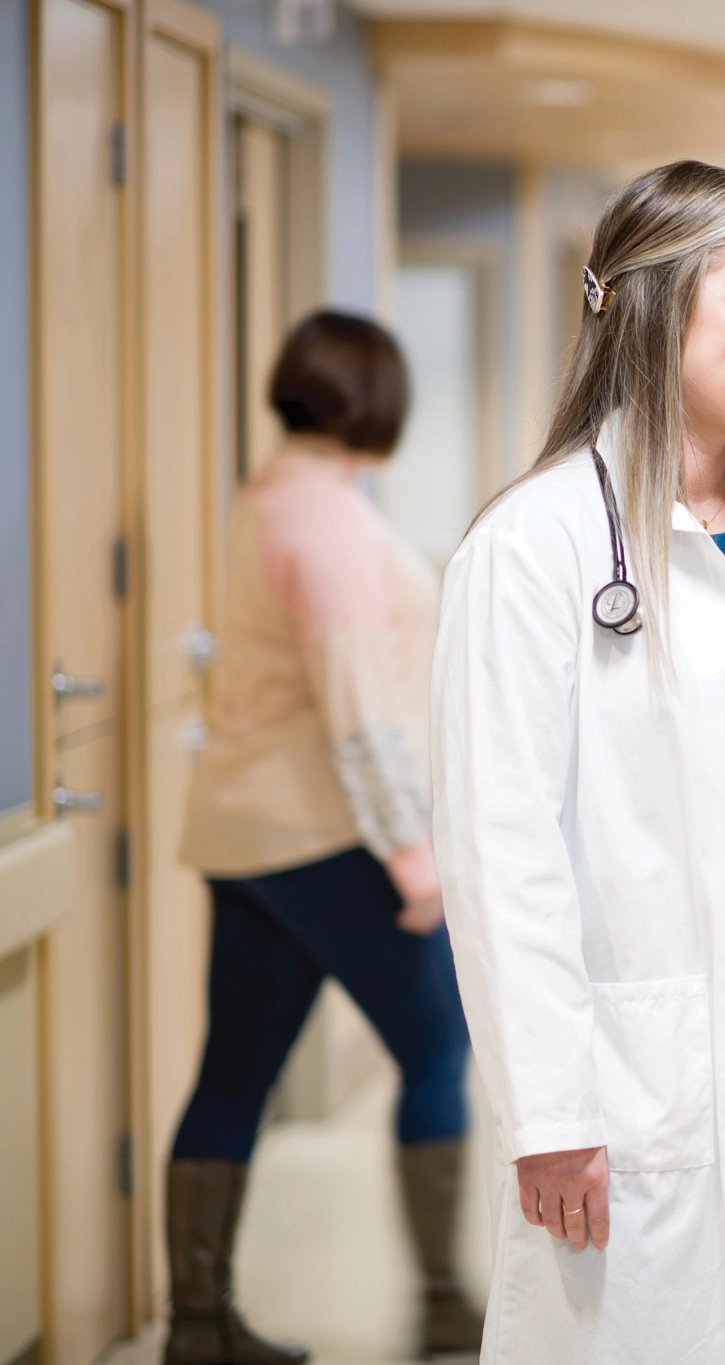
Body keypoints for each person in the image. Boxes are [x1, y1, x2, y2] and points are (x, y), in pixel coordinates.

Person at [430, 160, 725, 1365]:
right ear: (652, 308)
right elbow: (501, 854)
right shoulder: (533, 547)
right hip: (627, 1057)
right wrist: (549, 1109)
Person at [173, 311, 482, 1364]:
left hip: (244, 830)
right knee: (435, 1048)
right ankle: (443, 1305)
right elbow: (359, 712)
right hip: (326, 837)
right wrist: (413, 859)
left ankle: (197, 1324)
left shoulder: (268, 495)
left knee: (233, 1075)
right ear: (376, 399)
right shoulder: (329, 524)